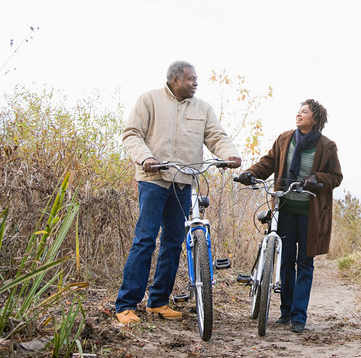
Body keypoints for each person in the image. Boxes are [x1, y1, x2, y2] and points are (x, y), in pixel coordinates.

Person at [115, 60, 242, 325]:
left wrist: (230, 154)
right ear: (175, 80)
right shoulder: (149, 100)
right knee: (146, 239)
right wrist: (146, 157)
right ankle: (126, 304)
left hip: (184, 182)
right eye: (191, 79)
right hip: (154, 179)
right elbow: (131, 134)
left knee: (173, 243)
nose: (196, 83)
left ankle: (158, 302)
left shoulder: (203, 108)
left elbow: (217, 136)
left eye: (196, 79)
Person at [237, 99, 343, 333]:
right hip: (284, 210)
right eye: (298, 111)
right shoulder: (285, 139)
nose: (299, 114)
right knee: (285, 262)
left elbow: (336, 177)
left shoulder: (327, 146)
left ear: (315, 119)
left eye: (304, 112)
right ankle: (285, 312)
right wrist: (250, 173)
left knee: (305, 263)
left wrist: (316, 178)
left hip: (310, 214)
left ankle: (299, 316)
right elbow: (268, 163)